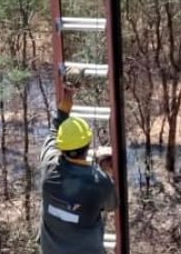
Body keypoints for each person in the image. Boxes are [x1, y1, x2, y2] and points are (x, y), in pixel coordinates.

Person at [39, 87, 117, 254]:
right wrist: (107, 171)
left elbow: (53, 134)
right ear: (88, 145)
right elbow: (111, 205)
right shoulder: (100, 183)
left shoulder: (49, 165)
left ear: (62, 146)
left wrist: (63, 111)